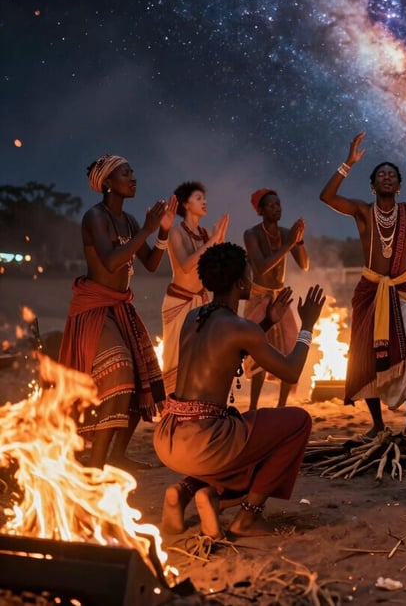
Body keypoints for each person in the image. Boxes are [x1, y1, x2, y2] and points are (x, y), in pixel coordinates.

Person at [154, 242, 325, 539]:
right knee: (297, 422)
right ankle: (246, 518)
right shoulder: (240, 327)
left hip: (168, 438)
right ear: (241, 283)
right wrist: (307, 326)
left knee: (243, 429)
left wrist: (269, 319)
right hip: (205, 443)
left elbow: (226, 348)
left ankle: (182, 493)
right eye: (248, 272)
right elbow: (291, 370)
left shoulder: (195, 317)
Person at [319, 131, 406, 439]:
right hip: (370, 290)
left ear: (399, 185)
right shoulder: (363, 212)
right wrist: (348, 162)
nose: (387, 178)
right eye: (381, 175)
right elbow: (327, 197)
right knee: (367, 356)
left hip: (404, 290)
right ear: (373, 185)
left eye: (392, 175)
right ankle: (377, 424)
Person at [58, 155, 176, 470]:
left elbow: (150, 263)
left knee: (143, 377)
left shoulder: (130, 222)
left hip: (120, 305)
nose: (133, 178)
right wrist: (148, 229)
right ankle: (96, 464)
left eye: (133, 172)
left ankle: (118, 455)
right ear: (107, 183)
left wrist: (162, 231)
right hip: (94, 307)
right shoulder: (94, 217)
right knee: (121, 368)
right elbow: (110, 262)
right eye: (126, 173)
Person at [242, 188, 309, 409]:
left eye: (278, 204)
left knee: (289, 349)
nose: (277, 208)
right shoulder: (251, 234)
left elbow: (304, 265)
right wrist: (288, 244)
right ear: (260, 210)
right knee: (258, 350)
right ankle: (253, 407)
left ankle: (281, 406)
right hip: (259, 295)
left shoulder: (286, 233)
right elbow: (261, 268)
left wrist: (298, 241)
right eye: (271, 205)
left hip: (280, 297)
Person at [161, 180, 229, 395]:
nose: (204, 202)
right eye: (198, 198)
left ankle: (194, 404)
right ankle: (172, 409)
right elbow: (187, 264)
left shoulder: (206, 233)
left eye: (204, 198)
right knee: (176, 357)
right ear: (186, 204)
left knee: (200, 355)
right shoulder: (175, 233)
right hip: (178, 302)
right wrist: (214, 240)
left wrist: (220, 241)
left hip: (201, 301)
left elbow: (214, 269)